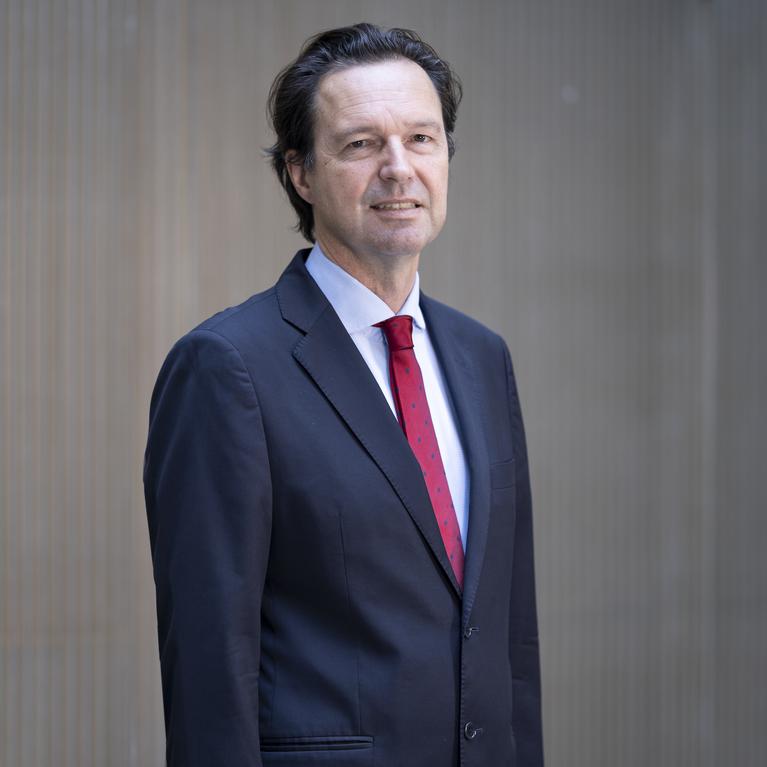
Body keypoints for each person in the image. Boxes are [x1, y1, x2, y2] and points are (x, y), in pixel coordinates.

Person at [144, 23, 543, 767]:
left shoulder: (481, 357)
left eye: (421, 139)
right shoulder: (226, 368)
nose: (399, 169)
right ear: (299, 173)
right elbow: (208, 663)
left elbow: (509, 635)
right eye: (361, 144)